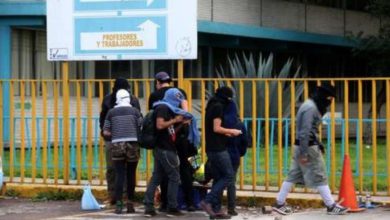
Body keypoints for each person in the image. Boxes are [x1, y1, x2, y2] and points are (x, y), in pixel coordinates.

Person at [272, 83, 349, 215]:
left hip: (303, 145)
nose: (329, 102)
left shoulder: (309, 105)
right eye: (329, 98)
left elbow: (308, 130)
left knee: (293, 175)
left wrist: (318, 144)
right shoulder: (311, 108)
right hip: (307, 146)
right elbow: (305, 131)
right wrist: (304, 153)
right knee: (320, 175)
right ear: (323, 96)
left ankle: (279, 203)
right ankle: (331, 206)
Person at [144, 88, 199, 217]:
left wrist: (181, 123)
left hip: (163, 147)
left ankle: (148, 205)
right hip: (165, 148)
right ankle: (172, 206)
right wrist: (176, 120)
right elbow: (160, 125)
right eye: (177, 100)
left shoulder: (167, 108)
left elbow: (170, 131)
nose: (178, 103)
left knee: (157, 177)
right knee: (174, 176)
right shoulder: (163, 108)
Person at [200, 87, 242, 219]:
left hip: (212, 147)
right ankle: (207, 201)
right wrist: (232, 131)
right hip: (218, 148)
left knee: (218, 177)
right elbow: (216, 128)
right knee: (229, 176)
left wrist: (227, 134)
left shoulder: (212, 104)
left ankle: (216, 210)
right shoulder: (218, 107)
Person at [99, 78, 141, 205]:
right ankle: (113, 195)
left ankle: (125, 196)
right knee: (112, 168)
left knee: (124, 170)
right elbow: (103, 118)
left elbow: (138, 118)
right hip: (112, 140)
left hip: (126, 139)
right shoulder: (108, 99)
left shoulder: (133, 100)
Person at [223, 101, 250, 216]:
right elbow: (245, 142)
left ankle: (215, 207)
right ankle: (231, 208)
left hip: (221, 155)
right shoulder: (240, 124)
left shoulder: (220, 124)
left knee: (219, 181)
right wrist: (240, 153)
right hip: (234, 156)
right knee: (231, 182)